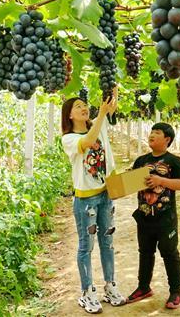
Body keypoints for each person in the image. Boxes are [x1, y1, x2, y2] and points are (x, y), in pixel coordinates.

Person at [61, 91, 127, 313]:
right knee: (86, 247)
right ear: (69, 115)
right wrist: (100, 115)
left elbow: (109, 112)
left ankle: (110, 286)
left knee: (107, 243)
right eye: (78, 106)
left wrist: (111, 95)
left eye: (85, 105)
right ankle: (87, 292)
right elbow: (89, 141)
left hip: (105, 195)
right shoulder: (69, 139)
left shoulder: (100, 126)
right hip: (86, 201)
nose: (84, 108)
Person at [125, 122, 180, 310]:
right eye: (151, 131)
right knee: (145, 252)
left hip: (165, 218)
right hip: (144, 217)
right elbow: (131, 183)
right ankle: (143, 287)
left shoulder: (174, 161)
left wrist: (161, 180)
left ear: (167, 139)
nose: (151, 135)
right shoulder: (141, 160)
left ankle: (175, 291)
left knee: (169, 253)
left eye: (157, 132)